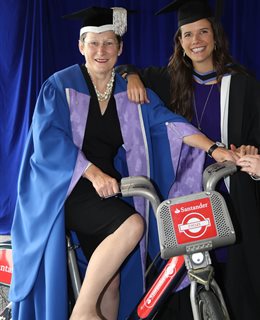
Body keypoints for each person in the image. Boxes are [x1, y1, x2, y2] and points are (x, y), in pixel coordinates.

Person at [9, 5, 238, 320]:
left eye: (108, 42)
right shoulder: (60, 86)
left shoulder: (127, 90)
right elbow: (51, 141)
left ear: (119, 48)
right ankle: (84, 312)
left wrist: (214, 149)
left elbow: (170, 124)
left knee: (112, 283)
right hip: (67, 188)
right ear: (81, 47)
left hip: (109, 190)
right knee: (133, 225)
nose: (100, 50)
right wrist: (92, 173)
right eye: (93, 43)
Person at [119, 0, 260, 319]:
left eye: (203, 32)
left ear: (215, 36)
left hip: (229, 190)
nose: (196, 41)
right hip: (186, 195)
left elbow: (255, 136)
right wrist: (132, 76)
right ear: (179, 43)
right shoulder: (167, 80)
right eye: (187, 34)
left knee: (235, 270)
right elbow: (120, 70)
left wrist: (251, 151)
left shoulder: (242, 85)